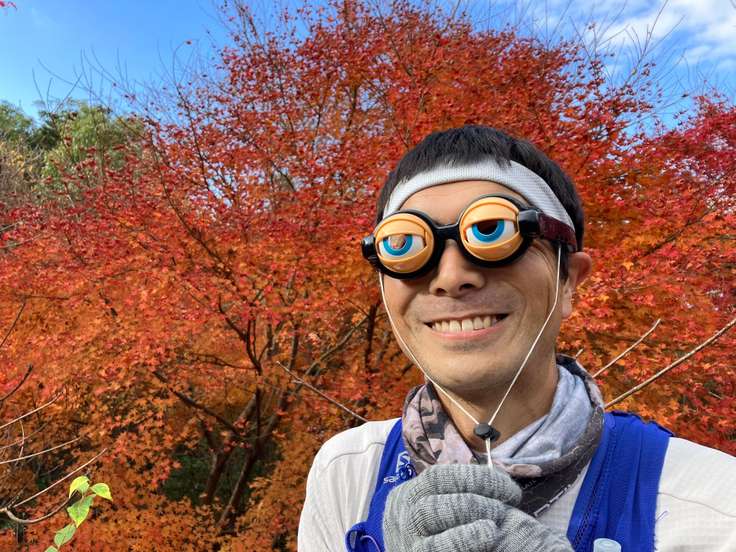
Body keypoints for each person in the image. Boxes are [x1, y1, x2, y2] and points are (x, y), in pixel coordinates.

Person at [298, 126, 736, 551]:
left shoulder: (710, 505)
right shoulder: (350, 472)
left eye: (491, 229)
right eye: (405, 243)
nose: (450, 276)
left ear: (568, 281)